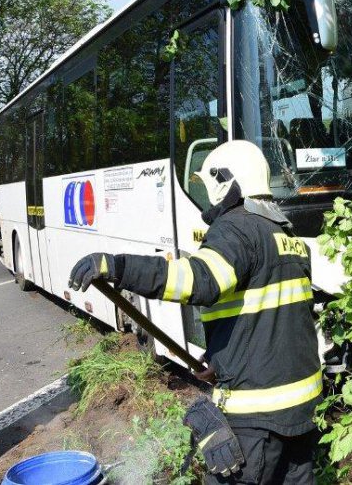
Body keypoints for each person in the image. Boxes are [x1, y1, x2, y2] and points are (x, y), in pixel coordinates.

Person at [70, 141, 321, 484]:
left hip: (256, 417)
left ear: (224, 181)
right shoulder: (287, 235)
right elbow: (271, 323)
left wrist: (117, 266)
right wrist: (219, 361)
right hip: (303, 412)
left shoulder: (235, 228)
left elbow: (197, 280)